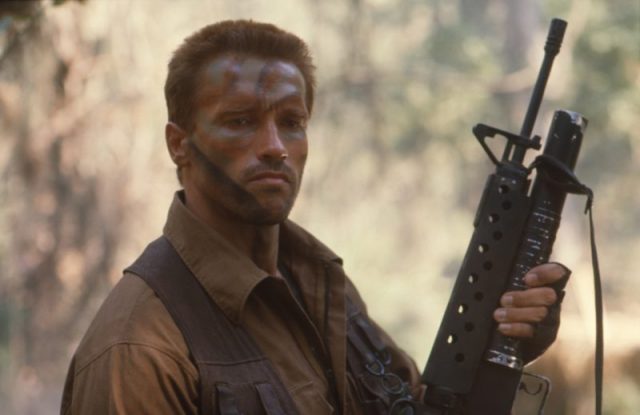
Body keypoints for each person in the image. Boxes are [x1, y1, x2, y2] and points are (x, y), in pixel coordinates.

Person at [61, 20, 570, 414]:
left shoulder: (322, 286)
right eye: (240, 121)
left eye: (291, 122)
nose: (275, 147)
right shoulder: (139, 346)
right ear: (180, 144)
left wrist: (500, 347)